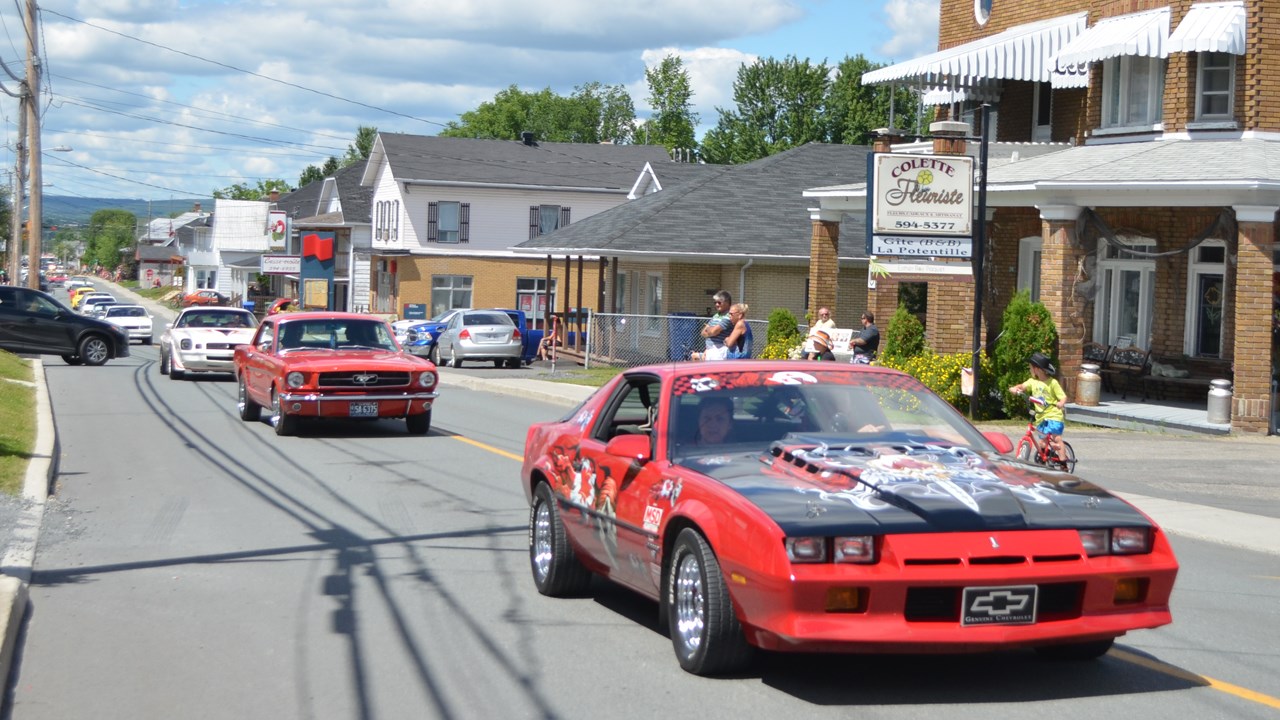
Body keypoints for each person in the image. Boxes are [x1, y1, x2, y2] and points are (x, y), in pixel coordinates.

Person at [1010, 351, 1068, 459]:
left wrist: (1060, 403)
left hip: (1053, 416)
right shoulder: (1033, 382)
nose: (1030, 370)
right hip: (1040, 417)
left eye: (1031, 368)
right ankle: (1045, 460)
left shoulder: (1052, 383)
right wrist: (1015, 388)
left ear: (1037, 369)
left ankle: (1063, 462)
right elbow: (1022, 386)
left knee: (1056, 439)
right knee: (1042, 443)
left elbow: (1063, 397)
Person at [690, 290, 733, 361]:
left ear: (727, 302)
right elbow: (703, 333)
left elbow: (714, 331)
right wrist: (711, 330)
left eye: (719, 302)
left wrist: (709, 329)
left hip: (719, 350)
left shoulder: (729, 316)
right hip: (710, 349)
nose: (717, 305)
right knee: (694, 357)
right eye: (715, 302)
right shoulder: (716, 315)